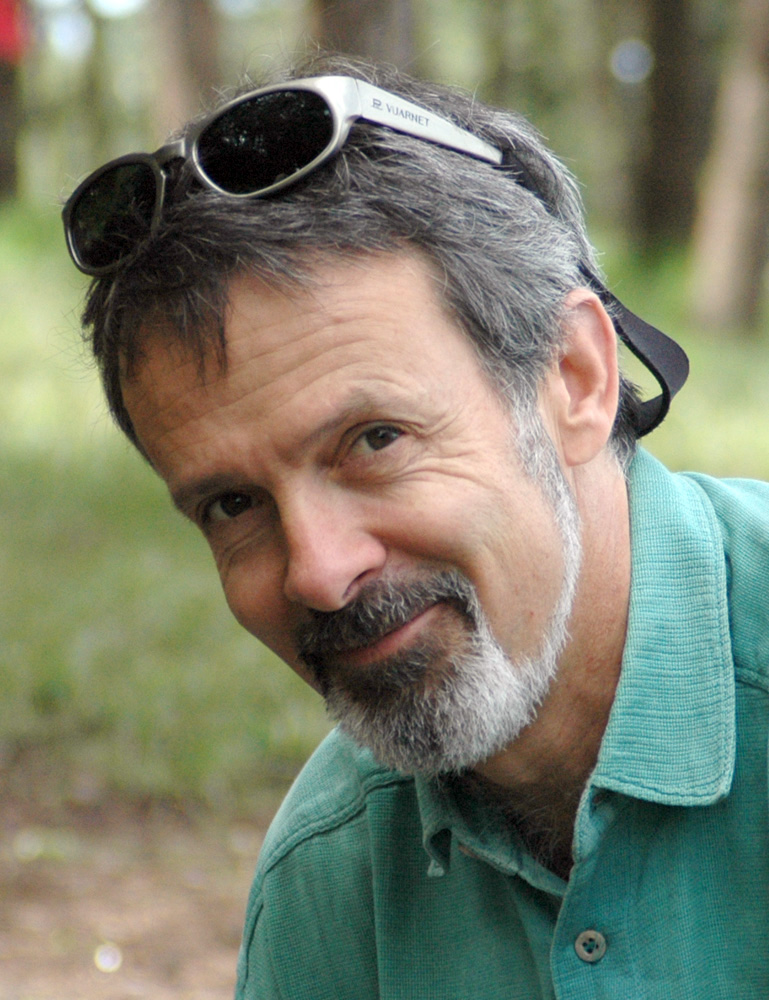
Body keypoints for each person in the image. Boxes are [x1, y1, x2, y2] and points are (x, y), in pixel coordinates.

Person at [62, 54, 769, 999]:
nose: (318, 572)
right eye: (232, 505)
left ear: (575, 378)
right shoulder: (330, 887)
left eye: (374, 440)